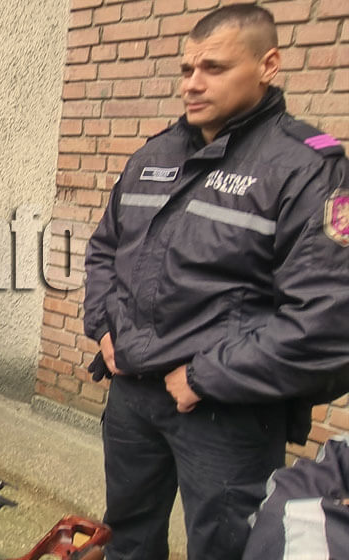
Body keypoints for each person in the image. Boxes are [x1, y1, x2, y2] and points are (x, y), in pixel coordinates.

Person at [83, 5, 349, 559]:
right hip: (131, 394)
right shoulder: (154, 155)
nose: (193, 84)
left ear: (268, 65)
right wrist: (104, 327)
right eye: (187, 69)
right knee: (126, 537)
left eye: (214, 68)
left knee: (224, 548)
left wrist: (204, 377)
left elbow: (327, 321)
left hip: (222, 412)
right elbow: (105, 248)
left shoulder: (304, 169)